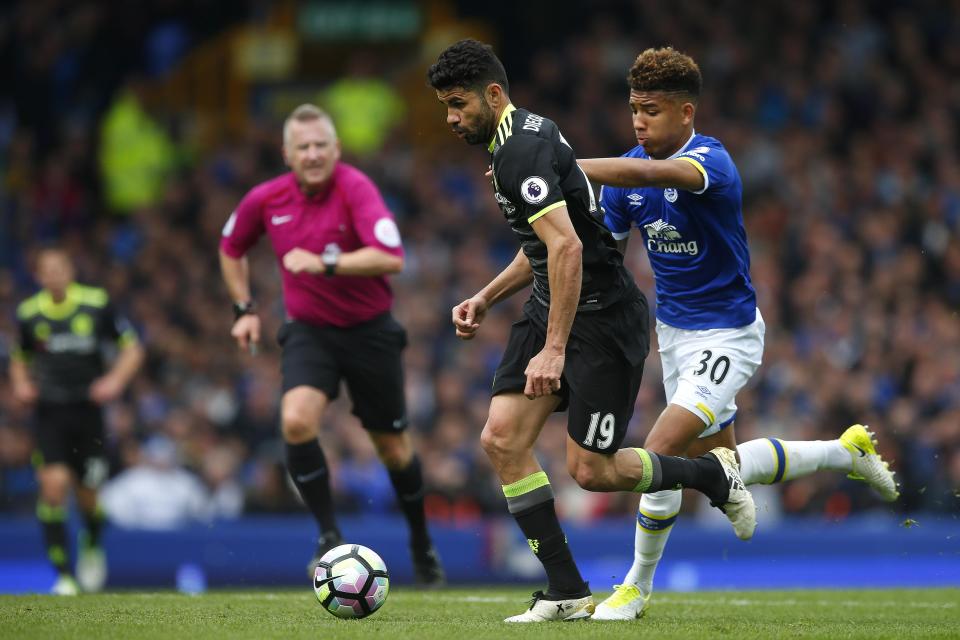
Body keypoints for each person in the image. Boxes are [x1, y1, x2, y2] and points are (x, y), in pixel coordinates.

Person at [427, 39, 756, 623]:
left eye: (457, 104)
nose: (451, 118)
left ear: (493, 94)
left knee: (592, 471)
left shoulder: (525, 149)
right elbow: (550, 243)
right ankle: (565, 590)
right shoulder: (519, 141)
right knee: (502, 439)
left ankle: (710, 475)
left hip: (601, 318)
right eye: (444, 106)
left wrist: (553, 350)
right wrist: (484, 295)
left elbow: (568, 247)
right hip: (554, 301)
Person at [576, 47, 900, 620]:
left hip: (729, 337)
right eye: (632, 109)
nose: (638, 121)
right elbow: (601, 248)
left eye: (650, 110)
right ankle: (845, 450)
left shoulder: (711, 162)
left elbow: (653, 173)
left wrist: (566, 164)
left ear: (685, 112)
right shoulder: (626, 175)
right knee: (722, 464)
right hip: (673, 336)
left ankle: (634, 587)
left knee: (658, 451)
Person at [218, 104, 444, 586]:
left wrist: (324, 262)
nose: (314, 153)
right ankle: (327, 537)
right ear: (287, 153)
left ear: (337, 149)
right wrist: (244, 309)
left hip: (370, 333)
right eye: (304, 147)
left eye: (322, 145)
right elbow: (231, 246)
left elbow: (390, 257)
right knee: (296, 420)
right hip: (310, 332)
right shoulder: (266, 198)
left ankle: (421, 540)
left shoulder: (356, 188)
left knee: (394, 450)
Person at [9, 247, 144, 595]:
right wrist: (22, 384)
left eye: (60, 267)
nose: (54, 275)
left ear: (71, 269)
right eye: (46, 270)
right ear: (38, 276)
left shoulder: (96, 304)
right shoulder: (28, 313)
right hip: (49, 411)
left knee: (88, 498)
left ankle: (92, 543)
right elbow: (19, 357)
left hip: (88, 412)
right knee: (53, 487)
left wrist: (114, 381)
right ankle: (63, 575)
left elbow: (132, 347)